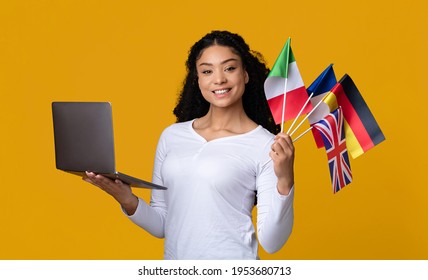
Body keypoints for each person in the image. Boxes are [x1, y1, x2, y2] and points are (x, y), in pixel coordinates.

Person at [83, 30, 295, 260]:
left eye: (229, 68)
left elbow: (272, 242)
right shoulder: (172, 136)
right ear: (198, 79)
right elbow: (162, 224)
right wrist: (125, 198)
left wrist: (285, 180)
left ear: (245, 74)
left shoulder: (264, 145)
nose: (219, 79)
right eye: (207, 71)